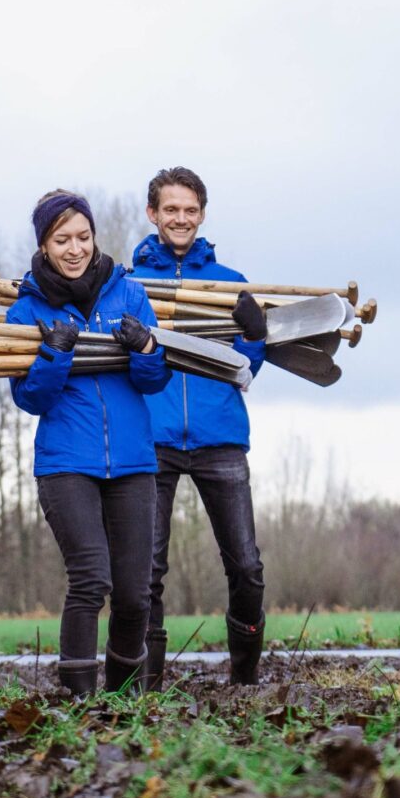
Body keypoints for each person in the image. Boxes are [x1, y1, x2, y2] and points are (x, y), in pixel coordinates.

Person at [7, 189, 172, 696]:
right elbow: (29, 398)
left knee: (135, 593)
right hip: (66, 464)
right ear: (44, 245)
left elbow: (154, 380)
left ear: (95, 237)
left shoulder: (129, 294)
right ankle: (79, 697)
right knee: (90, 579)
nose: (75, 249)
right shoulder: (25, 311)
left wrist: (145, 347)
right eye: (62, 240)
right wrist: (53, 354)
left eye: (83, 237)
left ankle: (125, 700)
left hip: (133, 463)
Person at [130, 167, 268, 687]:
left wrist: (256, 338)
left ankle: (245, 676)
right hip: (154, 438)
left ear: (202, 215)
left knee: (247, 566)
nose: (180, 218)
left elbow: (247, 368)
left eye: (190, 210)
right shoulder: (131, 285)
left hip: (220, 438)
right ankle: (149, 686)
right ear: (153, 214)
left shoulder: (231, 284)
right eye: (171, 209)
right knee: (147, 572)